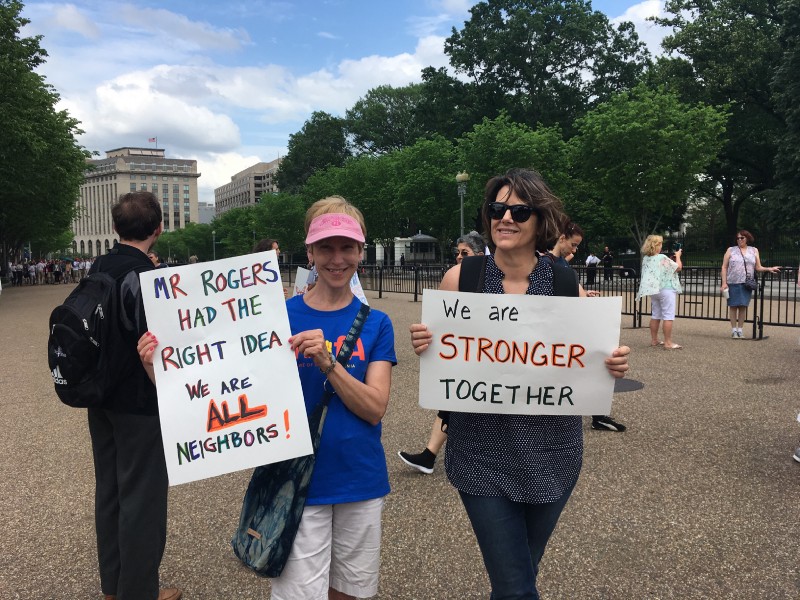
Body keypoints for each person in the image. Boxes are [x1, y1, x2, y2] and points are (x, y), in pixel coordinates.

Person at [409, 168, 630, 599]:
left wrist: (613, 363)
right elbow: (446, 355)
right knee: (515, 586)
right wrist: (427, 344)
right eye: (497, 208)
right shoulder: (463, 279)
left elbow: (588, 360)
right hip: (481, 454)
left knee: (518, 575)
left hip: (552, 455)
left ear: (539, 220)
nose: (505, 218)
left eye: (519, 210)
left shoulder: (566, 284)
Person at [87, 191, 180, 600]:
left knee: (109, 491)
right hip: (140, 405)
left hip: (100, 397)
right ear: (159, 229)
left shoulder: (98, 267)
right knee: (142, 501)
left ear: (115, 228)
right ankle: (139, 592)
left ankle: (114, 587)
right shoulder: (149, 279)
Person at [397, 230, 485, 474]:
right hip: (463, 354)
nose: (458, 257)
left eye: (464, 253)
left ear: (478, 255)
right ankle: (429, 455)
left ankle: (430, 455)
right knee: (453, 402)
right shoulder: (457, 278)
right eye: (457, 253)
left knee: (457, 403)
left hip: (481, 355)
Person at [549, 221, 627, 432]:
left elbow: (573, 285)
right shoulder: (550, 262)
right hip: (565, 325)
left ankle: (598, 412)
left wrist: (584, 293)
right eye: (573, 245)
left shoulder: (559, 261)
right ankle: (596, 413)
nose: (574, 250)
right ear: (561, 238)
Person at [720, 230, 780, 339]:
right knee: (733, 306)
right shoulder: (731, 250)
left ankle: (740, 330)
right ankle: (734, 330)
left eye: (742, 238)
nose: (739, 240)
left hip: (747, 282)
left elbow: (758, 267)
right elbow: (724, 267)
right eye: (738, 238)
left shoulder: (754, 250)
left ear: (747, 238)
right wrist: (724, 282)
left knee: (743, 306)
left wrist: (769, 268)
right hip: (733, 281)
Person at [636, 235, 683, 349]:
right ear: (656, 245)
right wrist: (678, 256)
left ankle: (654, 340)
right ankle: (668, 343)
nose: (661, 245)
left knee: (656, 315)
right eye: (660, 244)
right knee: (668, 316)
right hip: (666, 289)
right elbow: (678, 268)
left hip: (654, 290)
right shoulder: (662, 257)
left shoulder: (646, 258)